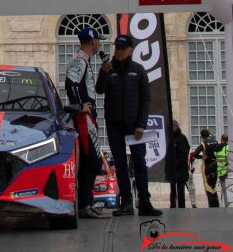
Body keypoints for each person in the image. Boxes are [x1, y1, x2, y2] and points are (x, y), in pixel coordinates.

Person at [95, 33, 161, 217]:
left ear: (130, 50)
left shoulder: (138, 70)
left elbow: (146, 99)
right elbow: (99, 90)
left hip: (134, 126)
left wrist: (141, 125)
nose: (119, 51)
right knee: (121, 164)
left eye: (123, 48)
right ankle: (126, 203)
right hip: (114, 123)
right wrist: (103, 72)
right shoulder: (109, 69)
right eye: (117, 48)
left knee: (139, 162)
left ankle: (145, 202)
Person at [64, 26, 105, 219]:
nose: (99, 44)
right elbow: (70, 83)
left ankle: (84, 203)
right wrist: (80, 106)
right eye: (98, 40)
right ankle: (84, 204)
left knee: (91, 160)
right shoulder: (80, 60)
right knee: (93, 160)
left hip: (86, 115)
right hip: (83, 117)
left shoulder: (85, 60)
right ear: (91, 41)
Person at [193, 128, 221, 208]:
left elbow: (195, 154)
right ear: (209, 134)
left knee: (207, 185)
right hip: (215, 165)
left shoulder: (203, 143)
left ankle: (211, 205)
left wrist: (202, 156)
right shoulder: (216, 141)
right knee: (214, 185)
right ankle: (216, 204)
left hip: (208, 166)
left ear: (202, 136)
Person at [166, 120, 190, 209]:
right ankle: (173, 206)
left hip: (180, 170)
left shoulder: (180, 138)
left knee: (180, 191)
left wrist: (174, 164)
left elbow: (184, 153)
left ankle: (181, 207)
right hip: (173, 170)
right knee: (173, 190)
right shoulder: (170, 138)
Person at [215, 133, 229, 208]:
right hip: (225, 170)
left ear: (221, 139)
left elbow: (215, 156)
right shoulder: (227, 147)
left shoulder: (217, 147)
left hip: (218, 169)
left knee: (222, 189)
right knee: (225, 189)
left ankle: (222, 203)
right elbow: (227, 158)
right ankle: (226, 204)